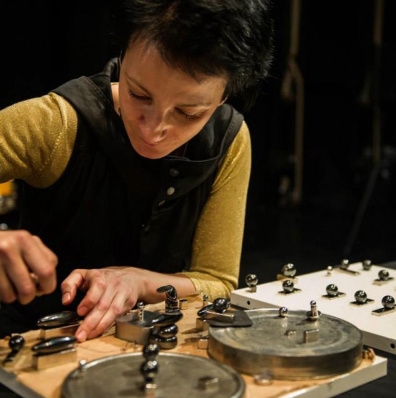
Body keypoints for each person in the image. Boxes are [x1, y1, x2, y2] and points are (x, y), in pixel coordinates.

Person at [0, 0, 274, 341]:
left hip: (152, 348)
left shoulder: (228, 140)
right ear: (123, 53)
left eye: (188, 113)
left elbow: (216, 281)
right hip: (27, 341)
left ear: (224, 96)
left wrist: (137, 281)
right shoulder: (58, 124)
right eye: (139, 94)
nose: (154, 130)